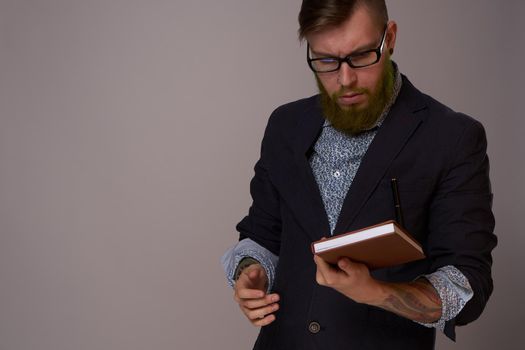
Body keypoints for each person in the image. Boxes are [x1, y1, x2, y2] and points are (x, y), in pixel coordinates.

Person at [221, 1, 496, 349]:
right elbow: (261, 233)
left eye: (363, 55)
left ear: (390, 38)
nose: (346, 79)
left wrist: (377, 293)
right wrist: (250, 272)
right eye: (326, 61)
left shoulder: (452, 137)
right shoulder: (284, 125)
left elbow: (468, 282)